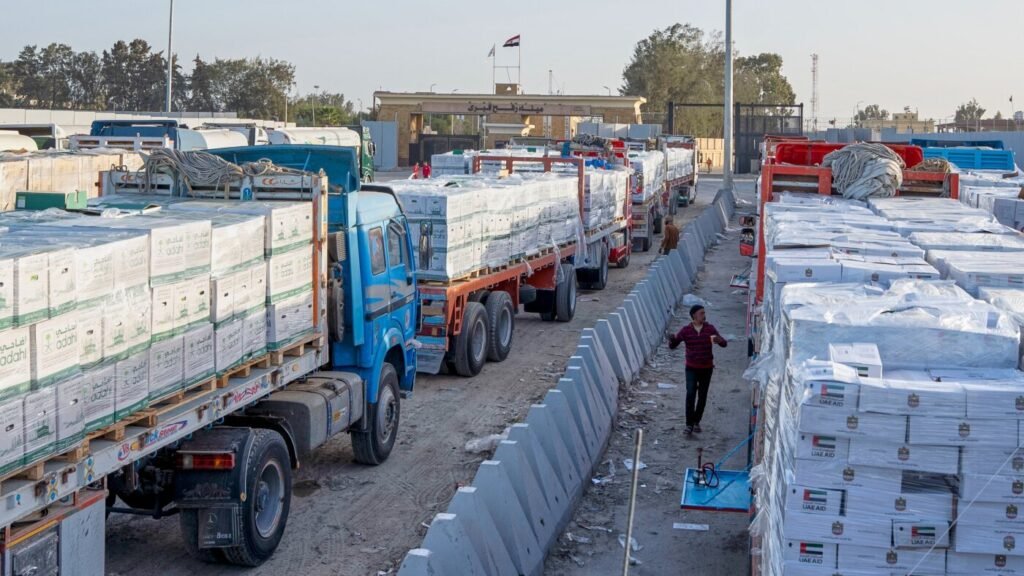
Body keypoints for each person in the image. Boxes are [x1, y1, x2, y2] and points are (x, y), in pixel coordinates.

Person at [668, 304, 727, 434]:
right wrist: (671, 339)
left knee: (702, 396)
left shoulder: (710, 329)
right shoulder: (686, 331)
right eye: (701, 313)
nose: (704, 315)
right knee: (690, 394)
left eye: (704, 313)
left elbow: (724, 344)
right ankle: (689, 424)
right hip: (691, 368)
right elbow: (673, 345)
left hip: (706, 368)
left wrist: (719, 340)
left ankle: (696, 422)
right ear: (694, 315)